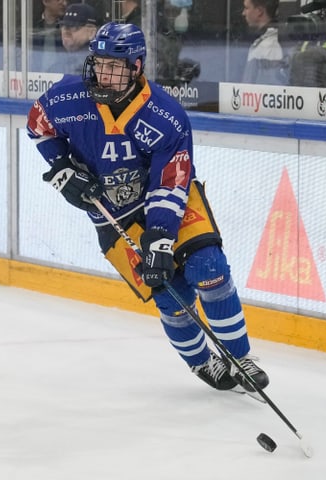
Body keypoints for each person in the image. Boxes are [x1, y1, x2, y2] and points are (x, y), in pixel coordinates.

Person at [26, 22, 269, 393]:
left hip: (168, 203)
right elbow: (38, 127)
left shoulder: (166, 115)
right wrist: (60, 168)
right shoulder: (66, 97)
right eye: (98, 63)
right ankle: (202, 363)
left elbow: (170, 183)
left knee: (209, 268)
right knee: (171, 294)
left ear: (137, 66)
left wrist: (159, 239)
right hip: (112, 215)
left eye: (114, 66)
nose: (102, 74)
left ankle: (239, 357)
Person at [240, 0, 288, 85]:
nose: (243, 13)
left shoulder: (270, 46)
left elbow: (267, 91)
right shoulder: (263, 42)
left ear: (259, 11)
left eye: (247, 8)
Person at [48, 3, 97, 74]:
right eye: (64, 26)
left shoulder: (97, 67)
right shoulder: (58, 65)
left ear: (91, 32)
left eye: (74, 26)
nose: (66, 31)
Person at [32, 0, 68, 71]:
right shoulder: (31, 24)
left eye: (65, 0)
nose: (64, 3)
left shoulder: (68, 26)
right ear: (45, 1)